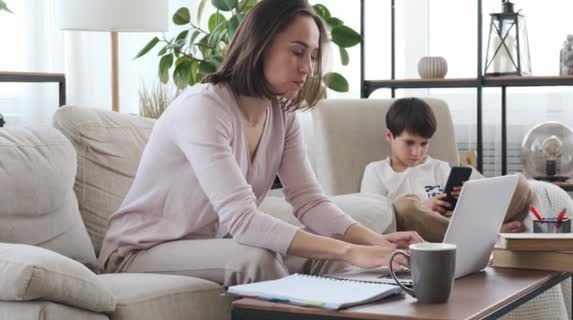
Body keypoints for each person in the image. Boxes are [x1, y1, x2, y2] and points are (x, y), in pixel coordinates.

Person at [98, 0, 423, 286]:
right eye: (297, 52)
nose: (307, 68)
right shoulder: (204, 108)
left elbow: (310, 202)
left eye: (312, 56)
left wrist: (377, 243)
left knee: (333, 259)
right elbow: (244, 221)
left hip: (207, 246)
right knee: (257, 258)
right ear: (260, 44)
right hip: (140, 251)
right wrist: (353, 249)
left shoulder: (282, 113)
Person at [361, 98, 533, 242]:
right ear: (389, 136)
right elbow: (372, 218)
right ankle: (484, 236)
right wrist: (423, 208)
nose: (417, 152)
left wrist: (468, 196)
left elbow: (486, 197)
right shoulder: (376, 171)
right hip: (417, 229)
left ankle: (478, 235)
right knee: (404, 206)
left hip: (457, 223)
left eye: (424, 144)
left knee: (520, 183)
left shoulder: (441, 168)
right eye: (409, 143)